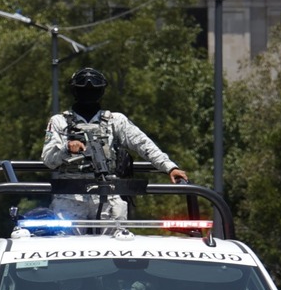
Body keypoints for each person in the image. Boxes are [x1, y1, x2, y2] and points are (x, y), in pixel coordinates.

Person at [41, 67, 188, 222]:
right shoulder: (59, 122)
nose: (88, 93)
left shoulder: (115, 121)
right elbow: (48, 160)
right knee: (65, 236)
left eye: (93, 90)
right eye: (83, 90)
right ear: (75, 91)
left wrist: (170, 167)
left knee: (117, 230)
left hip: (108, 192)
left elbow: (144, 144)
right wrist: (67, 148)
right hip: (70, 195)